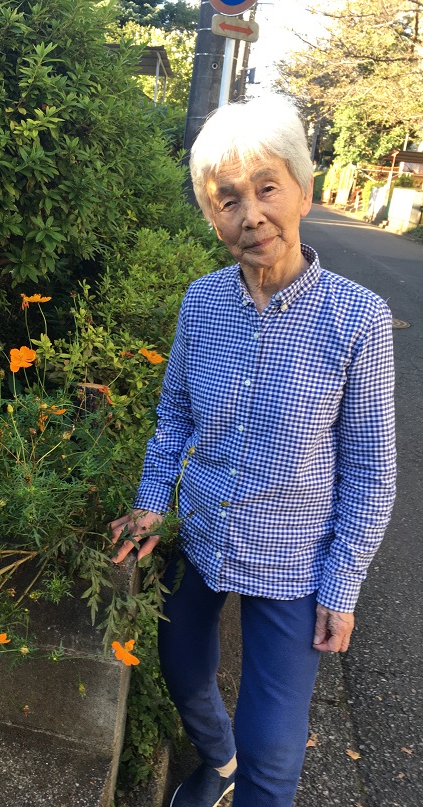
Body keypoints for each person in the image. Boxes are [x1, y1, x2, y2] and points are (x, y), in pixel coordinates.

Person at [110, 95, 396, 807]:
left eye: (268, 188)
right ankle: (217, 760)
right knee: (181, 669)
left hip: (294, 560)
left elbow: (370, 470)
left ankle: (249, 772)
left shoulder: (357, 318)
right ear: (211, 216)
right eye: (227, 199)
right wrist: (152, 503)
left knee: (274, 753)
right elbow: (174, 415)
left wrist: (342, 585)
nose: (251, 214)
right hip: (201, 533)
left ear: (304, 190)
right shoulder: (202, 302)